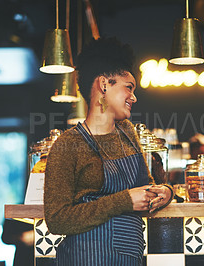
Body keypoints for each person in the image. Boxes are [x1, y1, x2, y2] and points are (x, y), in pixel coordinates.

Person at [44, 37, 173, 266]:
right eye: (129, 88)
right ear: (104, 84)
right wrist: (123, 201)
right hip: (85, 259)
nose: (134, 97)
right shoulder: (67, 145)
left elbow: (145, 186)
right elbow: (57, 220)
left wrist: (165, 191)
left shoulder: (127, 132)